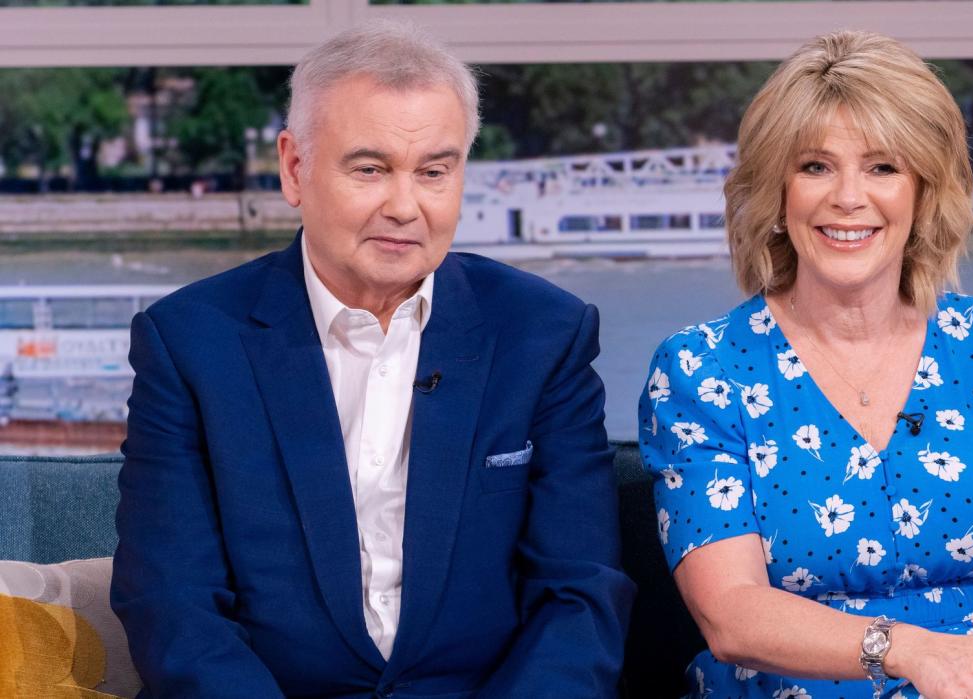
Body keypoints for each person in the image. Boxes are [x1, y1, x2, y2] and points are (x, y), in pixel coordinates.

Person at [112, 21, 633, 698]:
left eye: (433, 172)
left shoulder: (544, 335)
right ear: (294, 167)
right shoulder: (189, 341)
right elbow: (174, 606)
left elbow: (579, 596)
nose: (405, 206)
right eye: (370, 168)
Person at [638, 31, 973, 699]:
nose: (848, 197)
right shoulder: (700, 370)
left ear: (924, 189)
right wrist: (917, 653)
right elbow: (731, 611)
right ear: (777, 190)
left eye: (883, 167)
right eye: (816, 166)